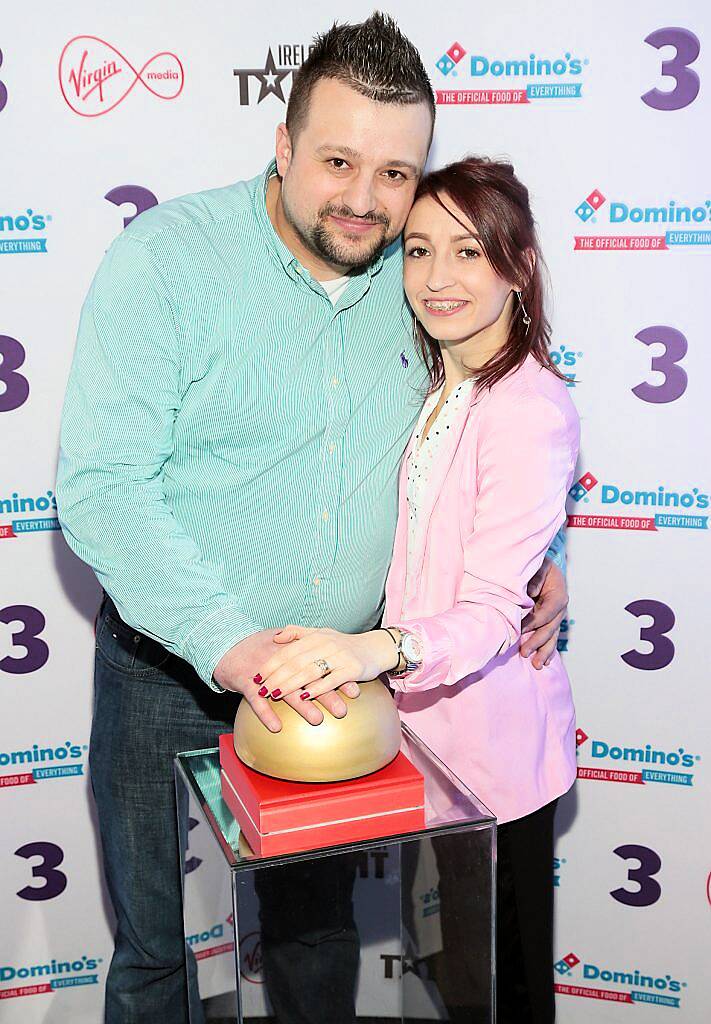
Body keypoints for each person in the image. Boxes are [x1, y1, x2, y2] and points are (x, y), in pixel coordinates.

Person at [56, 14, 568, 1024]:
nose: (365, 200)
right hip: (166, 670)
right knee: (157, 953)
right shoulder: (168, 260)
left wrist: (532, 557)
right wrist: (231, 643)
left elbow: (494, 427)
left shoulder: (422, 278)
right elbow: (104, 484)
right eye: (338, 160)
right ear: (282, 145)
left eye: (394, 172)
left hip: (337, 688)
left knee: (317, 942)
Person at [257, 156, 580, 1023]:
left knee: (497, 991)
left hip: (493, 768)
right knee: (446, 976)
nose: (437, 279)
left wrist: (372, 649)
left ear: (518, 267)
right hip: (426, 753)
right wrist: (545, 567)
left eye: (469, 253)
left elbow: (482, 611)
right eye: (419, 250)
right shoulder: (441, 381)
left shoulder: (529, 405)